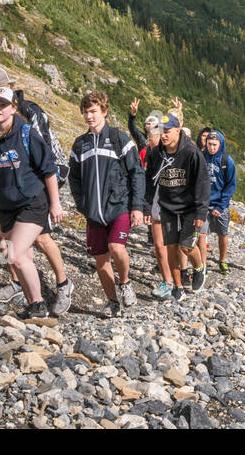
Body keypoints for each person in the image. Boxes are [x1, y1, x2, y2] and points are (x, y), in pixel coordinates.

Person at [0, 67, 73, 315]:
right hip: (15, 178)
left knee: (40, 237)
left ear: (9, 87)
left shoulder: (30, 110)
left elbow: (43, 151)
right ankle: (18, 281)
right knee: (2, 233)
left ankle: (63, 283)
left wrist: (54, 201)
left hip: (43, 173)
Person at [0, 86, 61, 319]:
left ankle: (38, 305)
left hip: (31, 202)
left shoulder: (26, 133)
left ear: (14, 109)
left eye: (2, 105)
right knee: (13, 256)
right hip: (2, 206)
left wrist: (55, 204)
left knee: (15, 254)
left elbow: (49, 170)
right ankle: (30, 302)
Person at [69, 90, 144, 317]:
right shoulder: (80, 144)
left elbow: (137, 173)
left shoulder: (119, 139)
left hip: (119, 206)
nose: (89, 116)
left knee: (116, 247)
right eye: (85, 113)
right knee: (100, 259)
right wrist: (82, 204)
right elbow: (74, 178)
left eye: (93, 111)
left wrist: (137, 207)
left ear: (104, 111)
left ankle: (126, 283)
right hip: (93, 212)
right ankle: (112, 302)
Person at [143, 113, 209, 301]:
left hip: (189, 207)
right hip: (167, 206)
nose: (163, 135)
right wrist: (147, 206)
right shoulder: (156, 153)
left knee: (186, 246)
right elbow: (149, 180)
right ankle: (177, 287)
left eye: (168, 131)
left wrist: (201, 211)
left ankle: (199, 267)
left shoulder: (191, 152)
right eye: (161, 131)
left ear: (178, 130)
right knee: (171, 246)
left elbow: (202, 183)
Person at [128, 99, 172, 299]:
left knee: (175, 243)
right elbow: (132, 128)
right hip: (153, 197)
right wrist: (133, 116)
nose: (153, 139)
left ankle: (186, 272)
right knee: (158, 242)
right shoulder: (147, 148)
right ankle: (168, 279)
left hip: (171, 201)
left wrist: (178, 113)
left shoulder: (171, 150)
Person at [201, 130, 236, 274]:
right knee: (202, 235)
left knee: (222, 234)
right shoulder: (201, 157)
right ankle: (202, 266)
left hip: (220, 206)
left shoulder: (226, 160)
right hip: (203, 205)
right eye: (209, 144)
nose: (212, 147)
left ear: (220, 144)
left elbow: (231, 185)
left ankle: (222, 261)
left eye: (215, 144)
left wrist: (221, 206)